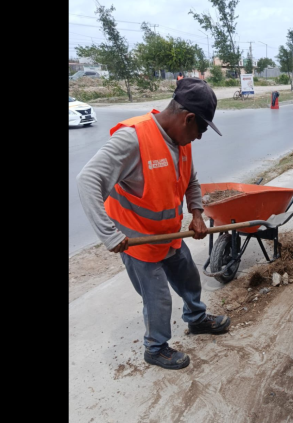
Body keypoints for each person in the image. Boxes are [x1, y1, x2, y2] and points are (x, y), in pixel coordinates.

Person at [76, 78, 230, 371]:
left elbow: (191, 180)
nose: (199, 138)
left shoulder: (181, 142)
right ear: (187, 118)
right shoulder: (133, 139)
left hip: (169, 234)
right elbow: (87, 180)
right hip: (138, 241)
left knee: (189, 280)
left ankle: (197, 320)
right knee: (158, 298)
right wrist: (109, 234)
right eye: (201, 130)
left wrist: (197, 213)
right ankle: (155, 348)